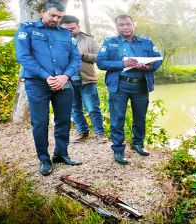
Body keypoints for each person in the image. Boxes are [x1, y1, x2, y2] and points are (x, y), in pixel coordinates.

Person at [15, 0, 82, 176]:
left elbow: (75, 59)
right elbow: (23, 57)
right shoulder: (26, 29)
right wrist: (47, 76)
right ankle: (44, 159)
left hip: (63, 82)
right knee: (40, 122)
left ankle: (61, 154)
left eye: (59, 17)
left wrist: (65, 76)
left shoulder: (66, 34)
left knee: (64, 120)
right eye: (52, 15)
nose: (55, 19)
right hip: (37, 84)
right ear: (43, 11)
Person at [96, 15, 162, 165]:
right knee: (117, 118)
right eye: (121, 25)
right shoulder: (110, 42)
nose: (125, 27)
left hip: (141, 85)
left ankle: (138, 144)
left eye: (128, 24)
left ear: (133, 25)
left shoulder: (146, 42)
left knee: (140, 116)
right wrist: (122, 63)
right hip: (119, 85)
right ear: (117, 27)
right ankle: (118, 150)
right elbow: (100, 62)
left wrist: (149, 67)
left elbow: (158, 59)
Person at [60, 15, 109, 144]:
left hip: (87, 80)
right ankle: (83, 131)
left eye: (72, 28)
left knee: (93, 108)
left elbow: (100, 56)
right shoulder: (57, 40)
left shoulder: (89, 40)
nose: (69, 31)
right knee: (74, 109)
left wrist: (83, 56)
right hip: (67, 81)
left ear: (78, 27)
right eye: (66, 29)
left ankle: (100, 133)